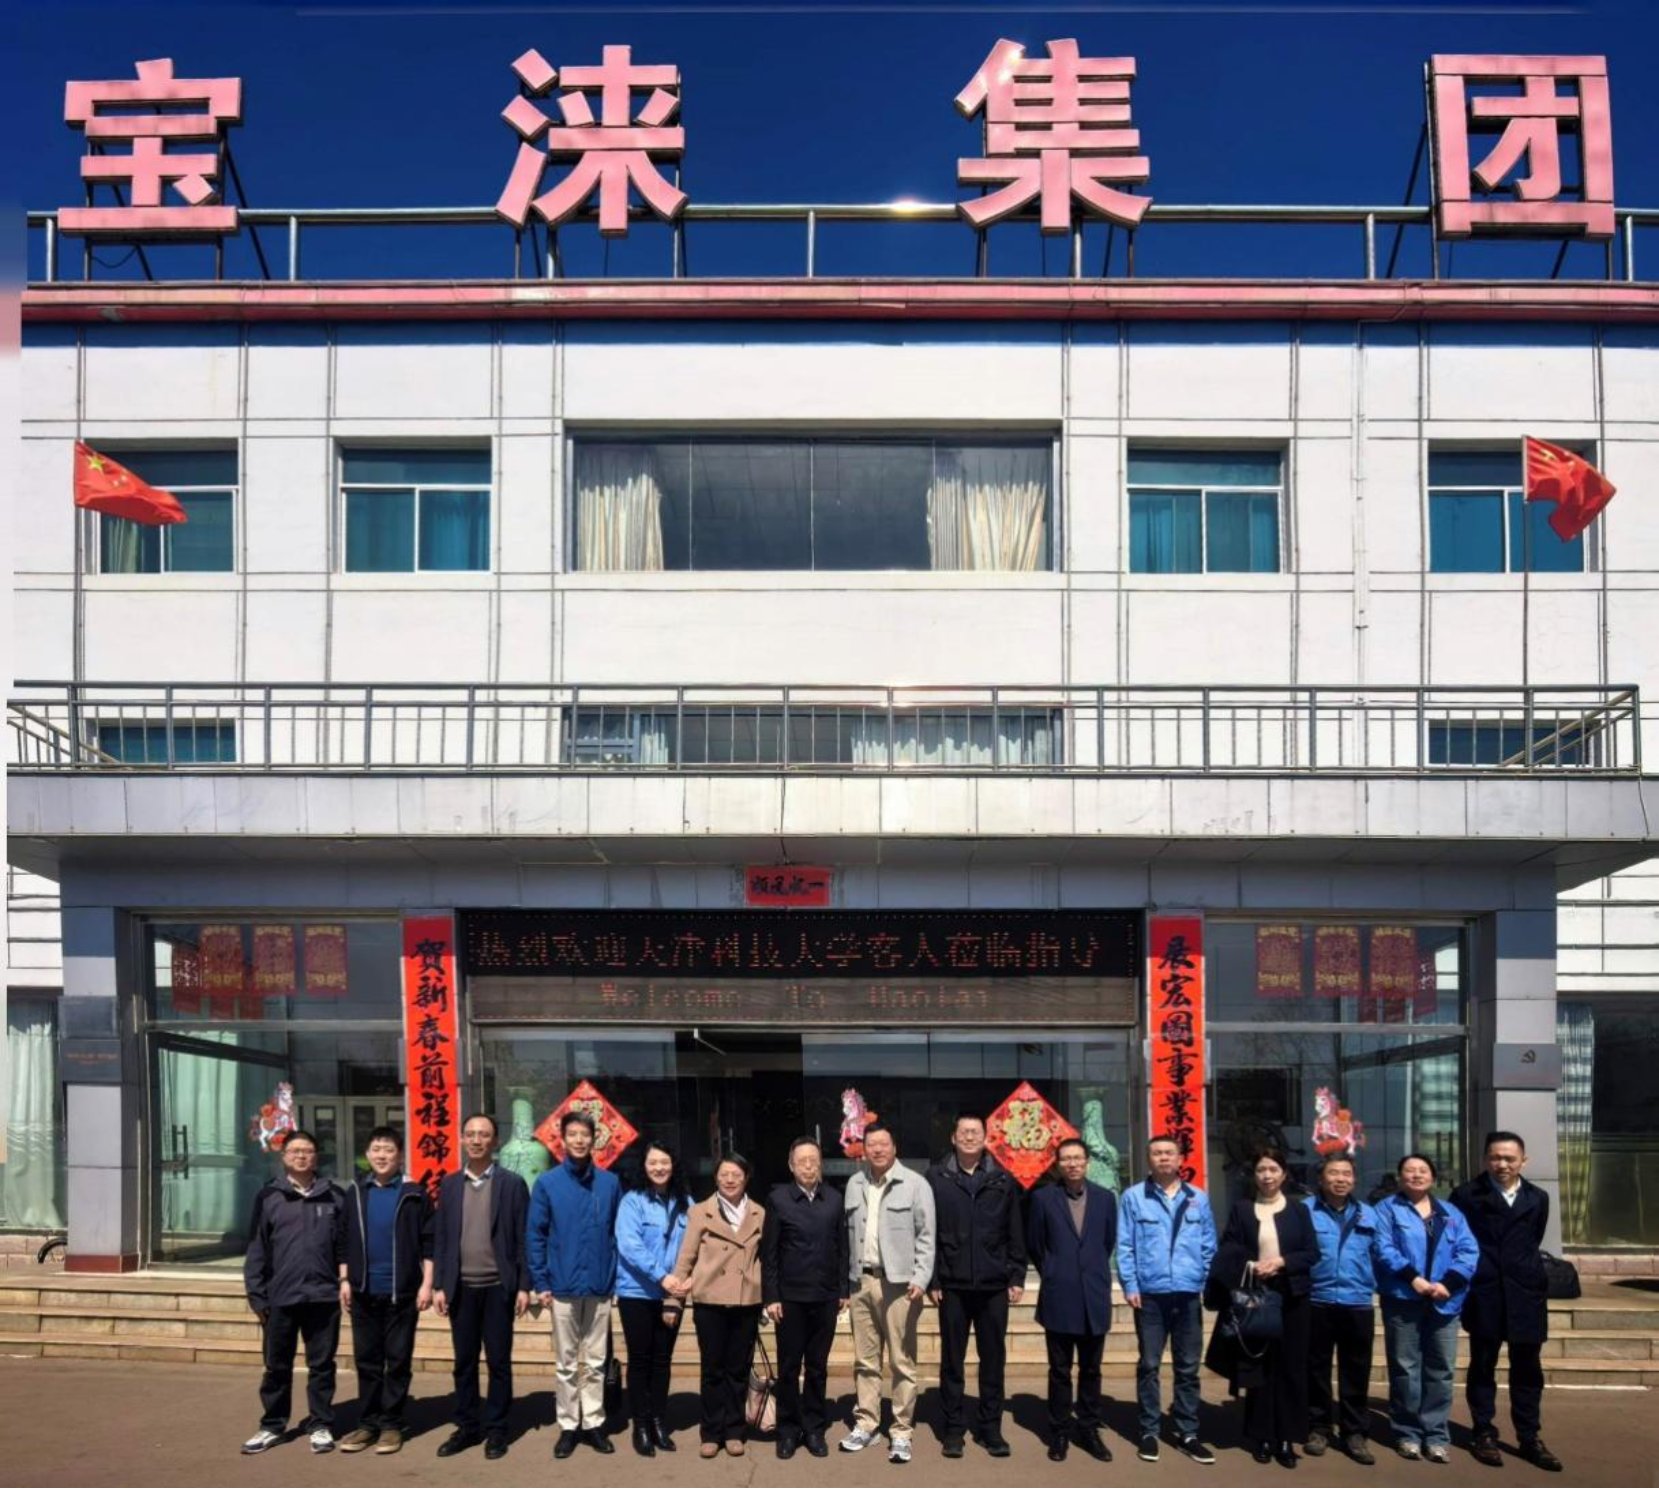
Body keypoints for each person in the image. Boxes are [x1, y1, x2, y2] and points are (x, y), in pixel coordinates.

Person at [1450, 1132, 1563, 1473]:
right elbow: (1458, 1240)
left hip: (1525, 1293)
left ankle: (1529, 1437)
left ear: (1523, 1162)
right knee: (1483, 1364)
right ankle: (1483, 1431)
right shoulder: (1466, 1195)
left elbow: (1532, 1239)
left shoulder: (1538, 1197)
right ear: (1485, 1159)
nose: (1502, 1164)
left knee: (1527, 1369)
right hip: (1485, 1291)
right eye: (1495, 1157)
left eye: (1509, 1158)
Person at [1206, 1147, 1319, 1469]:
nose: (1267, 1176)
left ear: (1284, 1174)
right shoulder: (1242, 1209)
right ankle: (1262, 1436)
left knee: (1291, 1368)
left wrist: (1281, 1263)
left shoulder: (1299, 1210)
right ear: (1254, 1175)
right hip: (1255, 1297)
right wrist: (1252, 1265)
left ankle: (1287, 1438)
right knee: (1259, 1367)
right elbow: (1228, 1248)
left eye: (1272, 1169)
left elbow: (1312, 1253)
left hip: (1292, 1298)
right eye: (1261, 1170)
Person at [240, 1129, 348, 1455]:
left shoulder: (334, 1196)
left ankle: (321, 1424)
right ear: (284, 1157)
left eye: (307, 1151)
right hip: (280, 1297)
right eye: (295, 1151)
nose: (301, 1156)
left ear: (316, 1157)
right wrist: (257, 1294)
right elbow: (257, 1248)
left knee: (322, 1365)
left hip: (323, 1297)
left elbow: (344, 1248)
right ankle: (273, 1425)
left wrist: (344, 1283)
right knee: (277, 1366)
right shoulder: (269, 1196)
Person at [927, 1113, 1027, 1460]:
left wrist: (1017, 1275)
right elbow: (929, 1231)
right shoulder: (937, 1177)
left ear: (986, 1138)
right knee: (952, 1361)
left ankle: (990, 1429)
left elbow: (1015, 1229)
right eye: (964, 1132)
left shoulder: (1002, 1178)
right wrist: (933, 1277)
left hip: (993, 1285)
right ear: (953, 1138)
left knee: (993, 1360)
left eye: (976, 1132)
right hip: (952, 1285)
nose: (969, 1137)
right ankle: (953, 1429)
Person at [432, 1112, 531, 1461]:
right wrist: (440, 1284)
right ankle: (467, 1426)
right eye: (471, 1134)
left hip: (498, 1287)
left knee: (499, 1362)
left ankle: (497, 1429)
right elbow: (442, 1238)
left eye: (484, 1134)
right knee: (464, 1361)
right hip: (460, 1288)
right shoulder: (449, 1185)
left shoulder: (512, 1184)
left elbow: (522, 1237)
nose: (476, 1140)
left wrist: (523, 1285)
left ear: (495, 1141)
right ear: (461, 1139)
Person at [1116, 1134, 1218, 1466]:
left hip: (1188, 1294)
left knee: (1188, 1366)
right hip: (1150, 1295)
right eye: (1157, 1153)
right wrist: (1130, 1284)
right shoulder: (1134, 1197)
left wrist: (1205, 1282)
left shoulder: (1198, 1198)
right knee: (1149, 1365)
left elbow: (1208, 1245)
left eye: (1169, 1153)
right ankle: (1149, 1430)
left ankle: (1188, 1432)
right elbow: (1125, 1245)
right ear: (1149, 1159)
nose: (1163, 1158)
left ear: (1180, 1159)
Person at [838, 1123, 936, 1465]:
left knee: (901, 1361)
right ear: (863, 1149)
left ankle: (902, 1430)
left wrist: (922, 1277)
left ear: (895, 1147)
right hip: (861, 1282)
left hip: (900, 1285)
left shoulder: (916, 1184)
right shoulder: (854, 1183)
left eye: (883, 1144)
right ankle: (867, 1423)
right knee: (865, 1360)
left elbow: (926, 1235)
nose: (877, 1149)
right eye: (871, 1144)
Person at [528, 1110, 623, 1458]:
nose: (579, 1140)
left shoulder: (610, 1183)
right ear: (563, 1139)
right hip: (562, 1285)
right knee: (566, 1362)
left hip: (599, 1285)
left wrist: (615, 1279)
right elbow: (535, 1235)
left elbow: (618, 1235)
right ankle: (569, 1425)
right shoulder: (548, 1183)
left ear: (594, 1139)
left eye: (585, 1134)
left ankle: (594, 1422)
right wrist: (541, 1280)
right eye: (573, 1134)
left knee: (596, 1360)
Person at [1375, 1153, 1480, 1464]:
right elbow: (1383, 1248)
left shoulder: (1450, 1212)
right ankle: (1407, 1432)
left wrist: (1449, 1282)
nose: (1417, 1175)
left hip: (1445, 1300)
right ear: (1400, 1177)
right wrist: (1414, 1280)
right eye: (1409, 1170)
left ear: (1433, 1178)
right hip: (1403, 1298)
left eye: (1423, 1170)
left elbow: (1468, 1250)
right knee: (1405, 1368)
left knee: (1441, 1369)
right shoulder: (1387, 1209)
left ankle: (1435, 1435)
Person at [337, 1126, 434, 1456]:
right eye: (376, 1149)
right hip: (363, 1291)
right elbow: (343, 1239)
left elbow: (429, 1242)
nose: (382, 1155)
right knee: (367, 1361)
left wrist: (426, 1284)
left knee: (397, 1360)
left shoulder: (414, 1193)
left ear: (400, 1155)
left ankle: (392, 1424)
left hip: (401, 1293)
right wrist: (345, 1280)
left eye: (389, 1150)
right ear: (367, 1155)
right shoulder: (355, 1192)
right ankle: (368, 1423)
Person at [669, 1153, 766, 1459]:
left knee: (738, 1370)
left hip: (746, 1300)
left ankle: (735, 1431)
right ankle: (711, 1432)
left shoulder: (760, 1213)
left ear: (746, 1178)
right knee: (712, 1370)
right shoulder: (700, 1211)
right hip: (709, 1300)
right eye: (724, 1174)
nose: (730, 1180)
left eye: (736, 1174)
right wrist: (673, 1300)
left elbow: (768, 1258)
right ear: (716, 1178)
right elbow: (686, 1256)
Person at [1027, 1136, 1117, 1464]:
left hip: (1093, 1295)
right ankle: (1060, 1430)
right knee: (1060, 1370)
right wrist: (1054, 1270)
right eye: (1066, 1159)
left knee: (1091, 1369)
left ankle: (1089, 1428)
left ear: (1087, 1162)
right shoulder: (1042, 1199)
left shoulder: (1105, 1199)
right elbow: (1036, 1244)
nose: (1073, 1164)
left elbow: (1107, 1242)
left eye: (1078, 1158)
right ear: (1058, 1164)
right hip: (1059, 1295)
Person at [762, 1136, 850, 1460]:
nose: (809, 1167)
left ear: (821, 1164)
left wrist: (843, 1290)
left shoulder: (834, 1199)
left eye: (814, 1160)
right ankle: (788, 1429)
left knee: (817, 1366)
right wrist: (771, 1296)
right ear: (791, 1165)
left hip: (825, 1296)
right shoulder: (778, 1199)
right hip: (790, 1299)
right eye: (802, 1161)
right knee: (788, 1367)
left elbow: (843, 1248)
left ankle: (814, 1427)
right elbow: (769, 1253)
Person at [1301, 1154, 1382, 1466]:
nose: (1340, 1179)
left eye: (1346, 1174)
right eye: (1333, 1173)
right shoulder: (1304, 1211)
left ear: (1354, 1179)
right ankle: (1318, 1427)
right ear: (1321, 1179)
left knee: (1356, 1370)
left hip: (1357, 1302)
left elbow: (1381, 1254)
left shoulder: (1369, 1214)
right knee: (1316, 1368)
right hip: (1317, 1300)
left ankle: (1354, 1432)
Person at [615, 1141, 691, 1458]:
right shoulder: (632, 1201)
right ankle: (641, 1424)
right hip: (637, 1292)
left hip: (672, 1294)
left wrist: (688, 1278)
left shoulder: (685, 1201)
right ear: (644, 1167)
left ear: (674, 1165)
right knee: (640, 1359)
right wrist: (662, 1275)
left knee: (662, 1360)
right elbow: (629, 1244)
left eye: (665, 1162)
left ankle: (659, 1421)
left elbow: (695, 1244)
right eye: (653, 1162)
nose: (659, 1168)